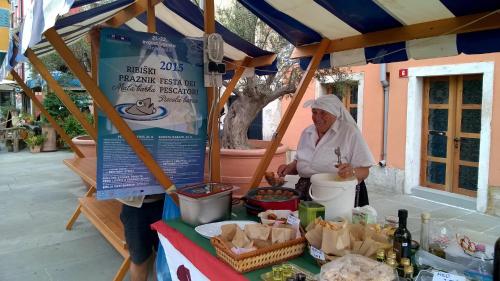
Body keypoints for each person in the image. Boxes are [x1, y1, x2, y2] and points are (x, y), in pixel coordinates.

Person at [277, 94, 374, 206]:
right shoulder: (307, 133)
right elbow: (301, 161)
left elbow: (364, 171)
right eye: (314, 112)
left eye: (323, 113)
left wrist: (351, 172)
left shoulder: (349, 133)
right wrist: (290, 167)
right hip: (305, 194)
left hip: (337, 196)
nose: (317, 117)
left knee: (332, 224)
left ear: (335, 114)